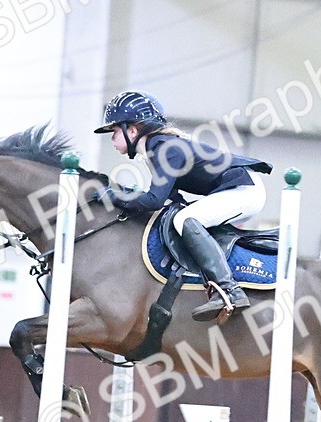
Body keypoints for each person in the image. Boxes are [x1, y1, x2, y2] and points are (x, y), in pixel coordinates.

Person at [92, 90, 272, 322]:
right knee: (181, 218)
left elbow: (154, 200)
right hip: (237, 189)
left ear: (132, 130)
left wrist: (114, 196)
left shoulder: (165, 149)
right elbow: (170, 200)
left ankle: (229, 290)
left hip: (245, 190)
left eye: (115, 131)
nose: (112, 139)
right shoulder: (154, 150)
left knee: (185, 220)